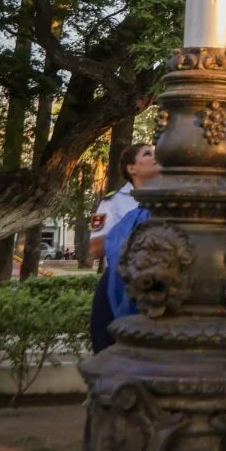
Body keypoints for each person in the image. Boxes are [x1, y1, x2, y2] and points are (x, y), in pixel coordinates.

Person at [88, 143, 160, 353]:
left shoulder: (170, 199)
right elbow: (95, 249)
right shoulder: (114, 202)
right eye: (148, 154)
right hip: (119, 283)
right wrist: (133, 231)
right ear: (132, 169)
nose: (156, 156)